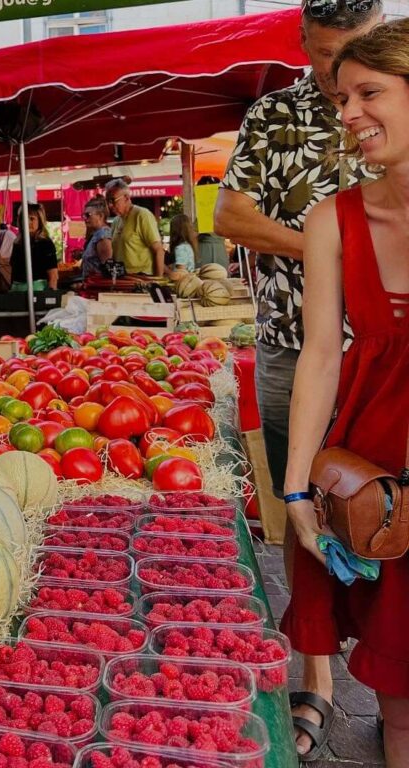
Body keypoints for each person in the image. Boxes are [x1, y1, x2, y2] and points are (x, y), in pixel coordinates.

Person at [213, 1, 383, 756]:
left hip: (389, 352)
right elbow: (229, 215)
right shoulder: (274, 116)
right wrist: (326, 249)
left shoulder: (395, 103)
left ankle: (388, 675)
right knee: (301, 507)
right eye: (320, 54)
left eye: (350, 54)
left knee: (388, 513)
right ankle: (316, 673)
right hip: (294, 345)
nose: (332, 71)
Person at [282, 20, 409, 764]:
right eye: (342, 98)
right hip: (378, 480)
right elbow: (321, 354)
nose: (350, 112)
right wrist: (296, 488)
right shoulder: (334, 218)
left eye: (369, 93)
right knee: (400, 705)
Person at [105, 179, 165, 276]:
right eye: (107, 201)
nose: (110, 205)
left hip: (142, 278)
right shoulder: (116, 221)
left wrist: (157, 281)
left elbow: (158, 250)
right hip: (122, 279)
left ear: (126, 198)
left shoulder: (142, 215)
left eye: (112, 200)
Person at [10, 204, 58, 291]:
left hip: (38, 291)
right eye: (24, 218)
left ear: (40, 221)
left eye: (32, 219)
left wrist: (50, 295)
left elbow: (53, 275)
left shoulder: (46, 243)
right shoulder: (17, 243)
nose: (28, 222)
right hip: (16, 291)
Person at [80, 196, 114, 279]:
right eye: (83, 215)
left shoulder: (103, 236)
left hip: (98, 288)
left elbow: (107, 269)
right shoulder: (97, 234)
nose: (85, 218)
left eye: (88, 215)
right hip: (90, 287)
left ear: (100, 216)